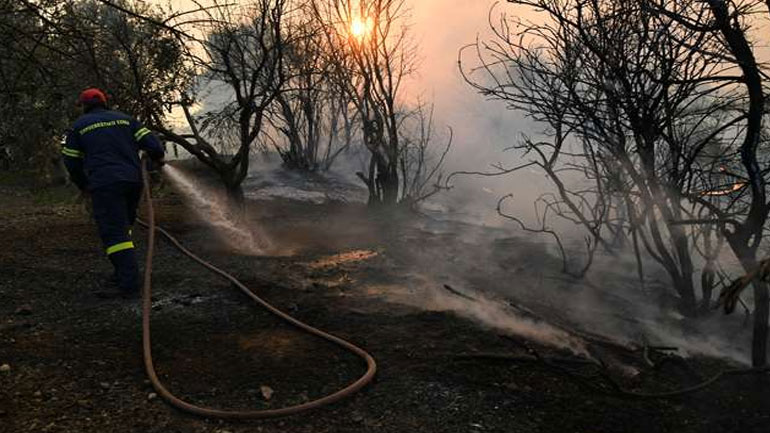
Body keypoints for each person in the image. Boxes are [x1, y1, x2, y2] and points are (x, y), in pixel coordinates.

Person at [61, 88, 165, 298]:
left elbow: (71, 161)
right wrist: (156, 157)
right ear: (104, 102)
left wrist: (84, 185)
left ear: (83, 106)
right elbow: (154, 145)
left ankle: (129, 284)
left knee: (114, 233)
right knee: (123, 227)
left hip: (105, 184)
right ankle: (123, 273)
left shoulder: (78, 128)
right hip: (132, 182)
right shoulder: (126, 120)